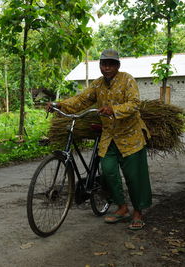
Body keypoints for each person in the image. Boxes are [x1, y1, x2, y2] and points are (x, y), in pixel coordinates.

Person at [47, 49, 152, 230]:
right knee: (108, 171)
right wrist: (59, 105)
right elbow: (80, 101)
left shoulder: (127, 80)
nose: (107, 67)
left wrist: (114, 109)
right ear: (100, 66)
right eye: (104, 64)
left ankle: (138, 212)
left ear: (117, 66)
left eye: (111, 64)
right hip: (109, 136)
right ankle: (122, 207)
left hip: (130, 136)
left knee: (134, 177)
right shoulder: (97, 85)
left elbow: (135, 104)